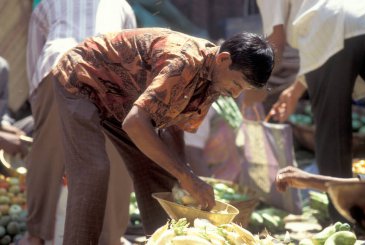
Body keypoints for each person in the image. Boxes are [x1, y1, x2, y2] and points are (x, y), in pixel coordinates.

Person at [50, 28, 274, 244]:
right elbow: (135, 123)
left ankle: (163, 242)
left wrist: (182, 174)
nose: (235, 93)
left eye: (242, 90)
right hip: (82, 76)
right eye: (236, 84)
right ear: (223, 59)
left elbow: (173, 125)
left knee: (158, 173)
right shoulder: (184, 61)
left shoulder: (214, 81)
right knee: (94, 170)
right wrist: (187, 177)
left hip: (123, 98)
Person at [23, 0, 136, 244]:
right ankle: (110, 237)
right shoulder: (121, 5)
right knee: (116, 156)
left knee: (48, 153)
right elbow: (131, 55)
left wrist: (43, 110)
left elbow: (33, 60)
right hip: (110, 71)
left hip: (58, 63)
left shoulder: (46, 5)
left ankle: (37, 235)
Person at [257, 1, 365, 186]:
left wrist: (254, 87)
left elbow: (275, 42)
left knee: (332, 137)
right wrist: (295, 91)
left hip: (326, 23)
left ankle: (341, 212)